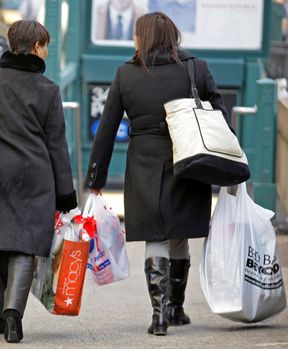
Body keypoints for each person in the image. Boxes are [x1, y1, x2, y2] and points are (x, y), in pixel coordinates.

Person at [86, 12, 229, 336]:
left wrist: (96, 180)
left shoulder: (126, 74)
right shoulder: (196, 68)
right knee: (178, 233)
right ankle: (176, 308)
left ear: (141, 39)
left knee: (156, 234)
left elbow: (106, 131)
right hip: (188, 160)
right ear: (173, 36)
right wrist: (232, 167)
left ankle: (158, 315)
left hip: (145, 163)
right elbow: (219, 118)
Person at [0, 20, 77, 343]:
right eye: (46, 45)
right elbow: (57, 145)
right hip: (34, 177)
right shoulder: (48, 89)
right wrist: (65, 194)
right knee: (25, 246)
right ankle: (14, 313)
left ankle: (0, 314)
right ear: (38, 46)